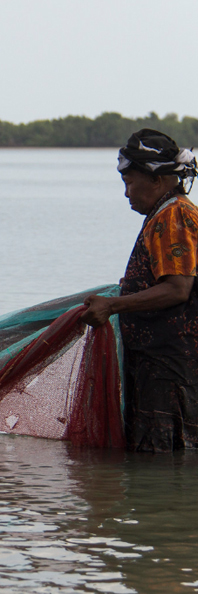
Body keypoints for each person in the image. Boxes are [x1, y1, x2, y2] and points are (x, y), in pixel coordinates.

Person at [81, 129, 198, 452]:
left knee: (167, 453)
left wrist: (113, 306)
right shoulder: (165, 213)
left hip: (171, 369)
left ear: (158, 180)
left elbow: (177, 290)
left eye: (130, 183)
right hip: (161, 364)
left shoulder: (174, 215)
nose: (126, 193)